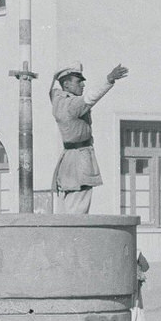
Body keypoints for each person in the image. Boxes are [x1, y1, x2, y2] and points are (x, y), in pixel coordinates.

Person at [50, 62, 128, 213]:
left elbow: (52, 90)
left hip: (68, 159)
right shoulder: (71, 104)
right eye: (78, 81)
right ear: (66, 84)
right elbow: (91, 98)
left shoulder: (58, 100)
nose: (83, 85)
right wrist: (109, 79)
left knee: (66, 207)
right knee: (78, 208)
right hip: (79, 159)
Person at [130, 250, 153, 321]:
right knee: (137, 309)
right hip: (134, 285)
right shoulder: (136, 252)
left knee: (131, 310)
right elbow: (146, 266)